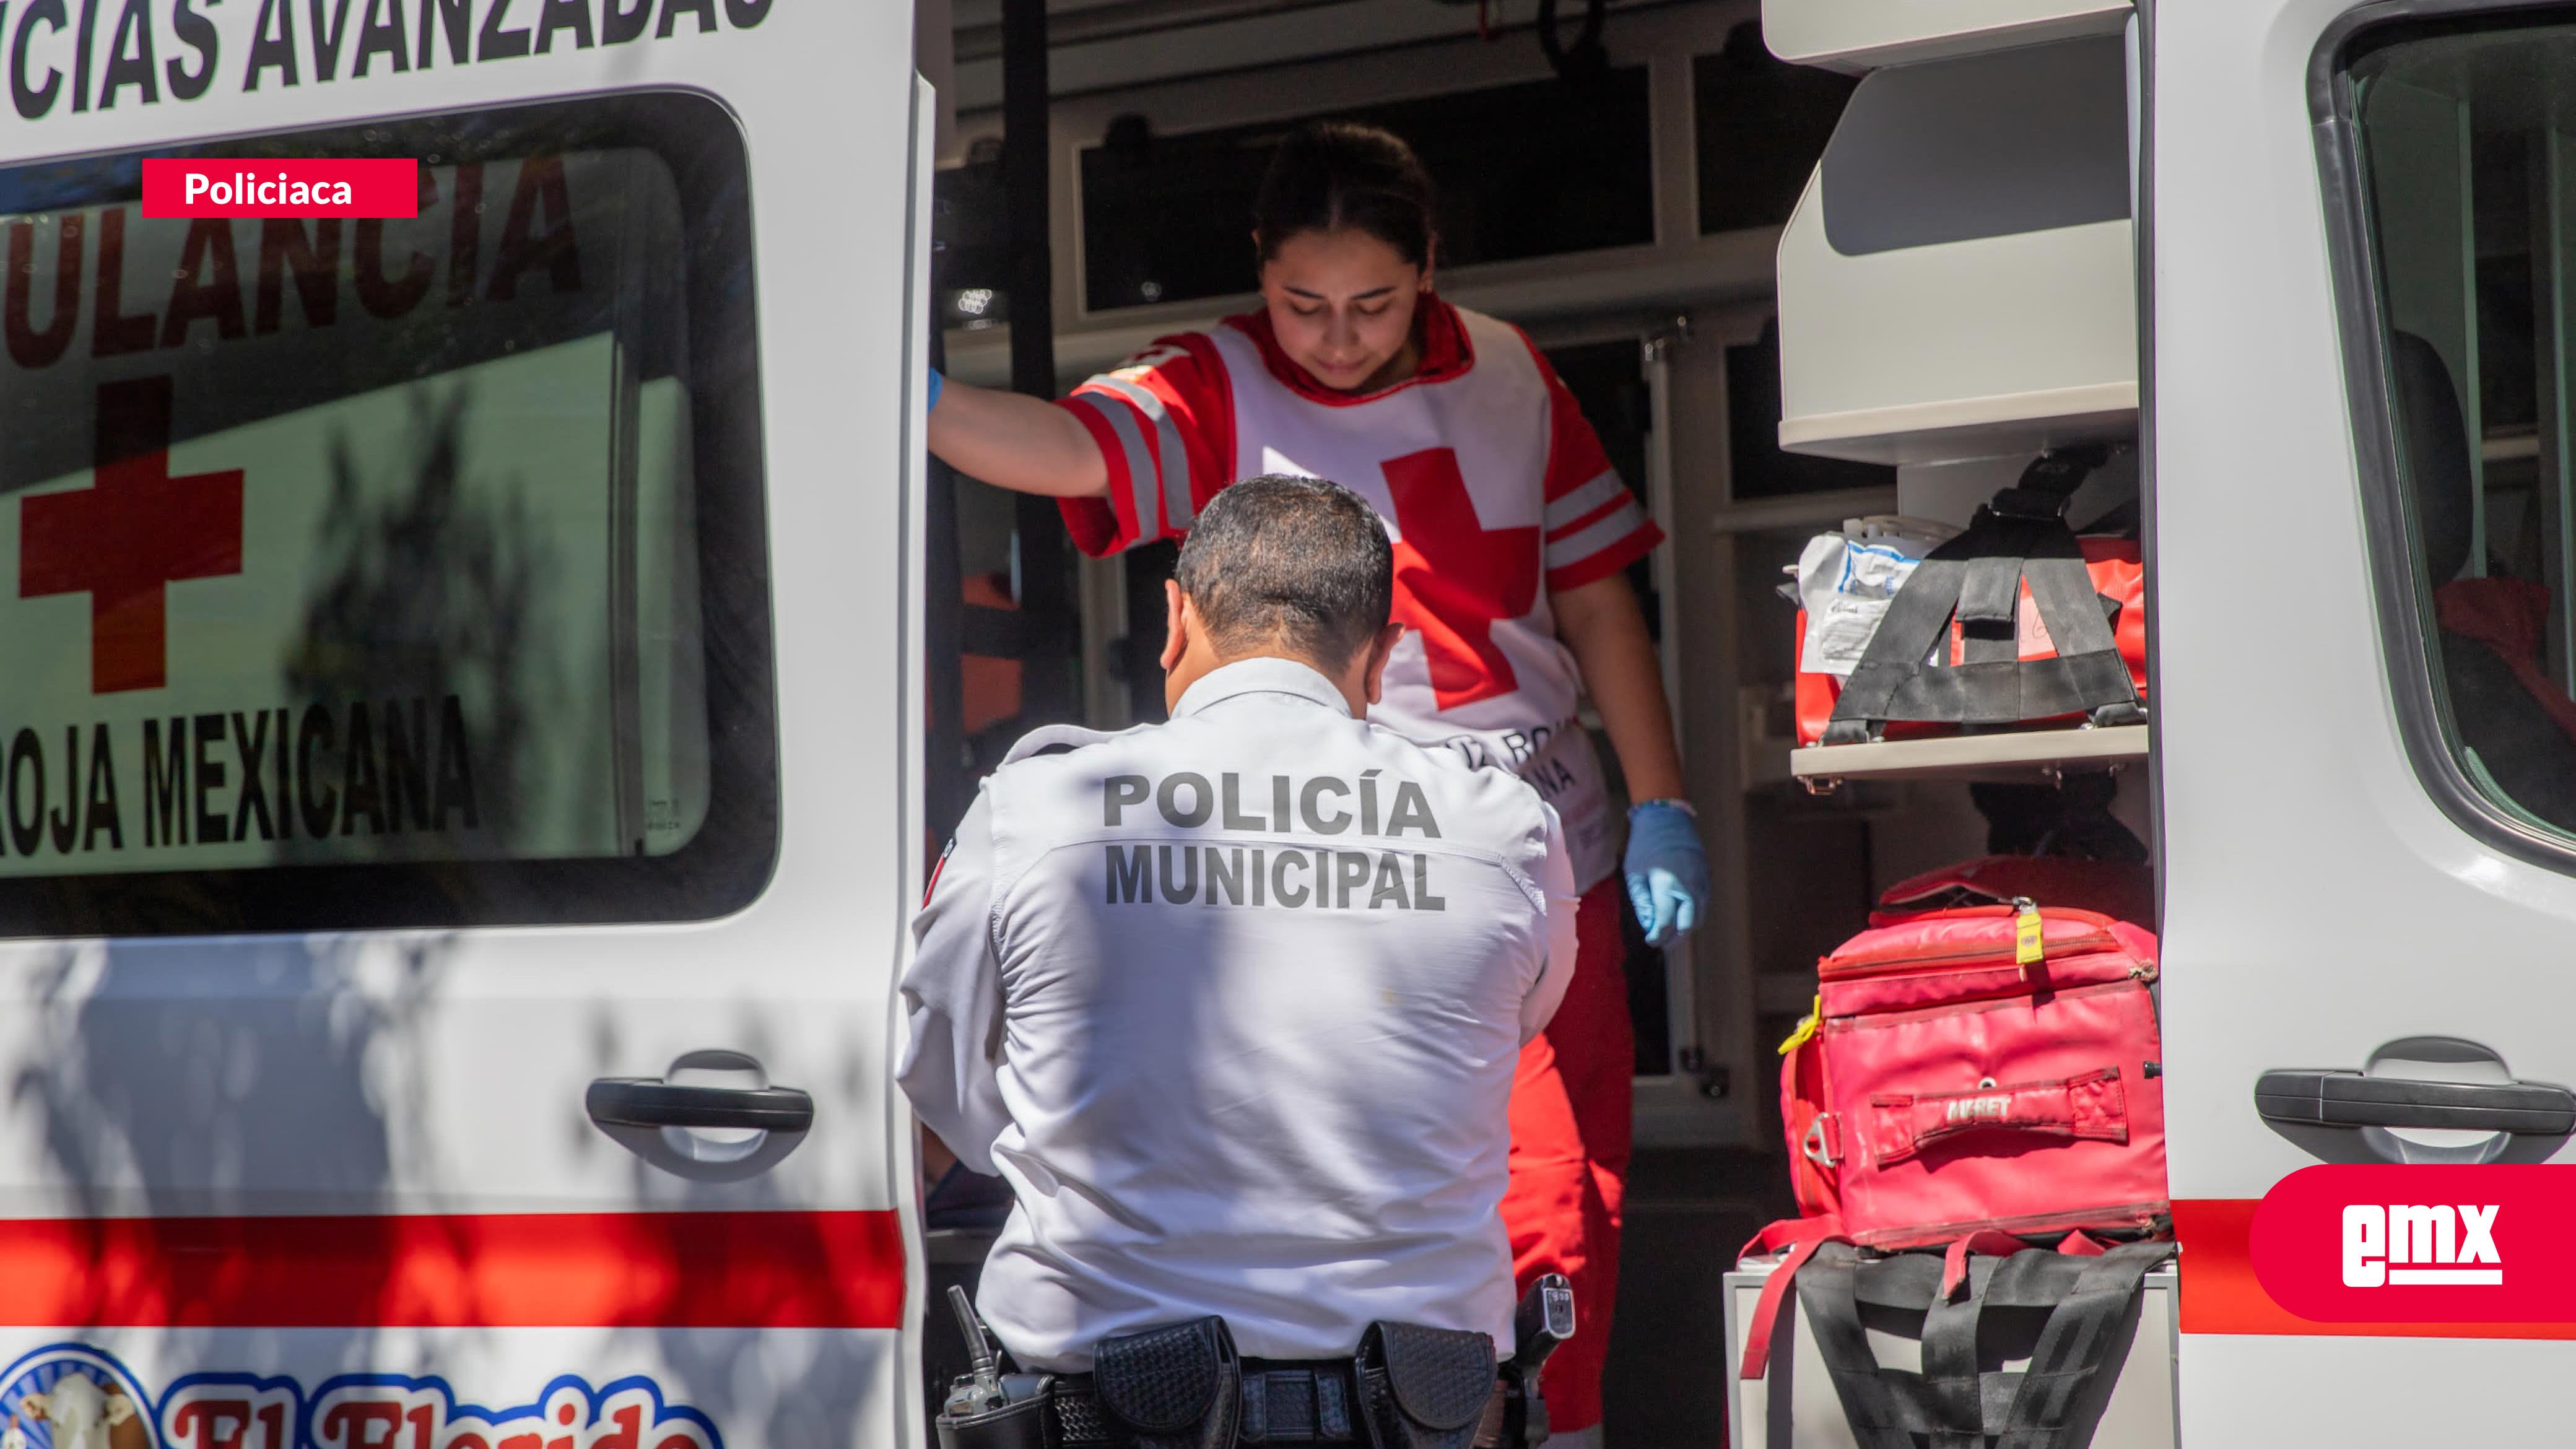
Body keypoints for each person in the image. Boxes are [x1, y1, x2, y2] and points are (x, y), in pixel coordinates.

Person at [924, 120, 1708, 1439]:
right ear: (1255, 272)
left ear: (1431, 270)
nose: (1337, 339)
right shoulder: (1221, 383)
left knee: (1563, 1204)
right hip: (1343, 843)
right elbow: (1065, 452)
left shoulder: (1512, 371)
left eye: (1373, 305)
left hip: (1534, 843)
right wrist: (917, 402)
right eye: (1303, 305)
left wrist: (1663, 800)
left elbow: (1597, 603)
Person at [899, 476, 1578, 1409]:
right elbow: (1519, 1017)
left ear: (1174, 620)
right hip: (1422, 1408)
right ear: (1383, 659)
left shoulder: (1033, 808)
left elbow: (952, 1089)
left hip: (1110, 1408)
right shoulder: (1507, 826)